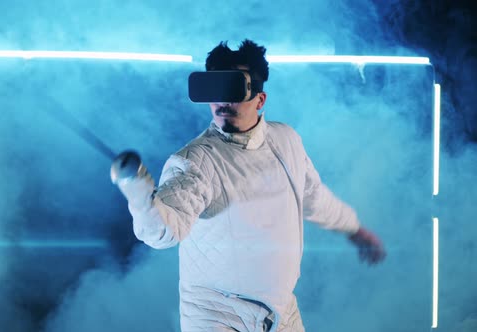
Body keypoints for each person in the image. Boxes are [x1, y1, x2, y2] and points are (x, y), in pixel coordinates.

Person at [111, 39, 386, 332]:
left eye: (233, 89)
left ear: (260, 99)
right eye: (215, 89)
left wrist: (354, 229)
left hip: (283, 312)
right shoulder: (194, 162)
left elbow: (314, 197)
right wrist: (137, 188)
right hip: (216, 317)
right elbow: (164, 232)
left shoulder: (286, 141)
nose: (223, 101)